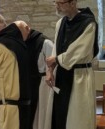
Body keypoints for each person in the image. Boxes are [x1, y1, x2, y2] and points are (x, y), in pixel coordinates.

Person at [46, 1, 98, 129]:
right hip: (62, 76)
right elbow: (55, 50)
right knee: (58, 117)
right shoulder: (60, 23)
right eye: (55, 2)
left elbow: (80, 50)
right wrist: (50, 71)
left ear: (73, 2)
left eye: (60, 2)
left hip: (79, 77)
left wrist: (57, 60)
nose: (57, 6)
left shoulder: (88, 23)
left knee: (77, 119)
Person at [23, 25, 54, 129]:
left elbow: (53, 64)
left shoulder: (45, 42)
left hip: (43, 82)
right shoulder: (24, 42)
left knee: (42, 112)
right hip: (29, 82)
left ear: (27, 29)